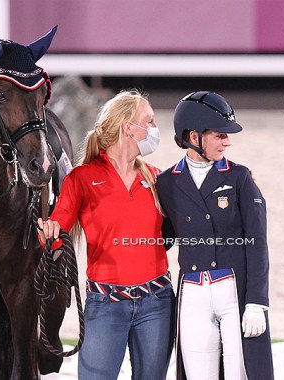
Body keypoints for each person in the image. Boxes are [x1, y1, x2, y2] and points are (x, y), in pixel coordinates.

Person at [38, 89, 175, 380]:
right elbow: (58, 225)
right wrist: (49, 233)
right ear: (128, 127)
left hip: (158, 302)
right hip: (106, 304)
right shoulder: (82, 178)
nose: (154, 129)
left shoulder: (156, 177)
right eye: (149, 122)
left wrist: (235, 181)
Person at [156, 91, 274, 380]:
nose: (227, 142)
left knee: (240, 373)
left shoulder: (240, 177)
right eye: (220, 135)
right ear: (193, 136)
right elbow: (164, 238)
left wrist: (257, 302)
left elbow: (257, 243)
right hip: (193, 291)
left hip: (233, 289)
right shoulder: (165, 182)